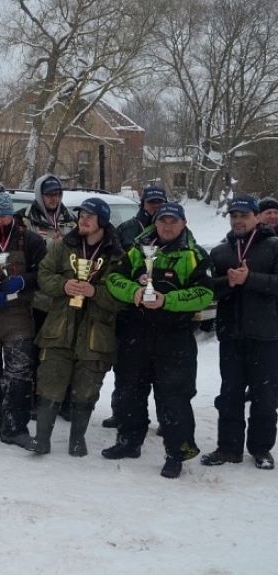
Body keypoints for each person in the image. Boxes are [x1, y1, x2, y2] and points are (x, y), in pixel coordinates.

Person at [103, 202, 213, 478]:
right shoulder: (138, 250)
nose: (167, 226)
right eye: (162, 221)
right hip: (135, 334)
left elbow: (204, 293)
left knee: (174, 397)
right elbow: (114, 279)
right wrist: (134, 294)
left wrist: (168, 300)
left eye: (173, 222)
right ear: (156, 222)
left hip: (174, 337)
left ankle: (177, 452)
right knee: (129, 391)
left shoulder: (194, 255)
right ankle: (129, 441)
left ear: (183, 224)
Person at [25, 197, 124, 456]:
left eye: (90, 216)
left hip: (96, 332)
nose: (83, 220)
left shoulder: (117, 253)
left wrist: (96, 291)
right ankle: (41, 439)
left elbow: (123, 296)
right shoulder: (64, 246)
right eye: (81, 215)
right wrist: (64, 285)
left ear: (102, 221)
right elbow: (44, 274)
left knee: (87, 387)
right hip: (60, 326)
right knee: (50, 380)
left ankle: (77, 438)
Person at [202, 195, 278, 470]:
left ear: (256, 217)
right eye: (234, 215)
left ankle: (261, 449)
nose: (238, 220)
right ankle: (228, 448)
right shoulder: (221, 252)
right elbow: (209, 289)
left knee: (265, 397)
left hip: (265, 335)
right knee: (230, 394)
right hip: (231, 335)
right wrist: (229, 283)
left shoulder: (273, 246)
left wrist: (250, 279)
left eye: (244, 215)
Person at [0, 191, 46, 447]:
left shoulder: (32, 240)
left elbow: (44, 274)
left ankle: (16, 426)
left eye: (3, 214)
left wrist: (24, 280)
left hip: (18, 314)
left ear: (12, 213)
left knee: (20, 372)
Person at [103, 185, 168, 429]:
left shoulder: (171, 228)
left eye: (160, 203)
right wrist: (133, 284)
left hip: (161, 308)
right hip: (130, 306)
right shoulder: (128, 228)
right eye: (152, 203)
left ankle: (165, 418)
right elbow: (116, 261)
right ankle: (121, 412)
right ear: (143, 203)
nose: (156, 207)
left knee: (162, 370)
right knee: (126, 367)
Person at [22, 174, 78, 420]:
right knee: (36, 351)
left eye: (57, 194)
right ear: (39, 195)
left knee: (64, 350)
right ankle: (34, 400)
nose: (53, 198)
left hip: (64, 297)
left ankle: (64, 400)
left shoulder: (71, 220)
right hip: (37, 297)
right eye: (49, 194)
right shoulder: (25, 219)